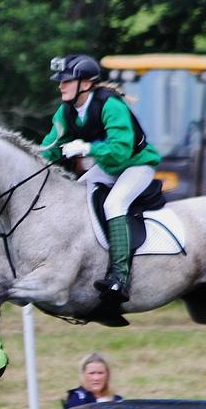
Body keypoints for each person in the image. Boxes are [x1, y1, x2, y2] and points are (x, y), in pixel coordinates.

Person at [40, 53, 162, 303]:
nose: (60, 85)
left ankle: (120, 277)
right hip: (109, 166)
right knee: (74, 196)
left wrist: (88, 149)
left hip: (137, 164)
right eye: (60, 81)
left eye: (66, 81)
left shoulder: (110, 105)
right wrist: (36, 162)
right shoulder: (66, 111)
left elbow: (120, 151)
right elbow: (49, 146)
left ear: (85, 84)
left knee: (113, 204)